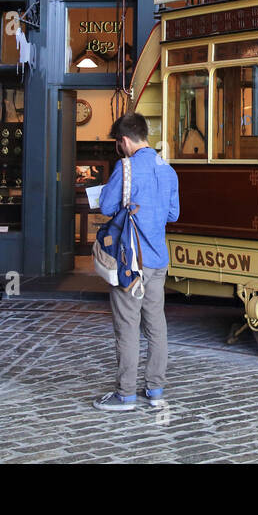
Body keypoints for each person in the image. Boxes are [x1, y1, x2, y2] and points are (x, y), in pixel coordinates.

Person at [93, 112, 180, 411]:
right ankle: (155, 389)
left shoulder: (126, 167)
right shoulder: (167, 169)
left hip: (130, 261)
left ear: (125, 141)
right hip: (157, 260)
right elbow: (173, 215)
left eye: (119, 143)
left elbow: (105, 206)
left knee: (127, 326)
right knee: (156, 325)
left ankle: (126, 394)